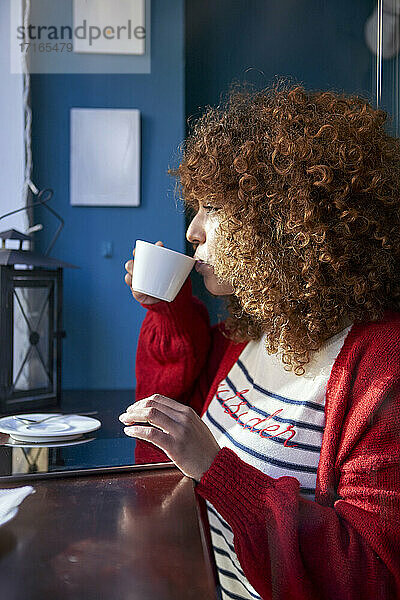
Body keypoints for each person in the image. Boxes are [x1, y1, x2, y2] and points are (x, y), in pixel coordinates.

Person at [120, 79, 400, 600]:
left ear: (283, 222)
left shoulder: (382, 364)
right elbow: (171, 424)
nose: (192, 231)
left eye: (214, 208)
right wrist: (170, 311)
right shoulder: (253, 331)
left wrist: (218, 472)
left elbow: (374, 576)